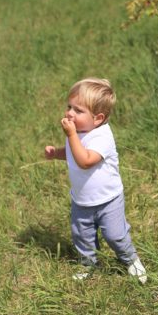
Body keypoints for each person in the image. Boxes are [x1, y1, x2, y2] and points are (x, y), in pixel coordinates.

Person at [44, 77, 147, 283]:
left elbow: (85, 160)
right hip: (82, 199)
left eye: (78, 110)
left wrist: (71, 135)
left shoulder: (102, 137)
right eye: (69, 106)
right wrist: (57, 153)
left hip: (108, 199)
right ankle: (89, 262)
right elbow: (74, 153)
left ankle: (130, 259)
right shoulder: (78, 131)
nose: (69, 113)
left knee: (115, 235)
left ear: (98, 118)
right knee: (82, 235)